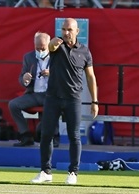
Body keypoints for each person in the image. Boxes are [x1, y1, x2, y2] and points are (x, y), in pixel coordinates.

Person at [31, 18, 99, 184]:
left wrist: (95, 101)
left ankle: (73, 173)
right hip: (52, 97)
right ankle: (45, 171)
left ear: (77, 31)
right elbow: (50, 47)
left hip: (73, 98)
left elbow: (91, 77)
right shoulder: (56, 46)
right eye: (63, 29)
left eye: (69, 29)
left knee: (74, 136)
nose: (66, 32)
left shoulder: (84, 51)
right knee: (46, 134)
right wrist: (53, 43)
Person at [9, 32, 60, 147]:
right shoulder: (29, 57)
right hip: (33, 93)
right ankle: (25, 135)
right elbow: (21, 78)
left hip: (50, 94)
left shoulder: (57, 57)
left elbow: (65, 77)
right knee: (13, 105)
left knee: (52, 105)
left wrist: (52, 74)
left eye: (43, 48)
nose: (40, 51)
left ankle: (54, 136)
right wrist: (25, 79)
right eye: (37, 48)